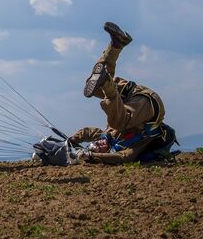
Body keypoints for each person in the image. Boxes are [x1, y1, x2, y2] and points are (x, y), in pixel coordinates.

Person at [69, 22, 167, 164]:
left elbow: (87, 132)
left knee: (94, 88)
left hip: (132, 92)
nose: (99, 143)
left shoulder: (105, 135)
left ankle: (116, 44)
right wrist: (91, 156)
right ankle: (106, 83)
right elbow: (123, 157)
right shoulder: (124, 147)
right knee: (117, 122)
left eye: (95, 143)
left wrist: (70, 142)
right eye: (99, 148)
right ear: (106, 152)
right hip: (150, 107)